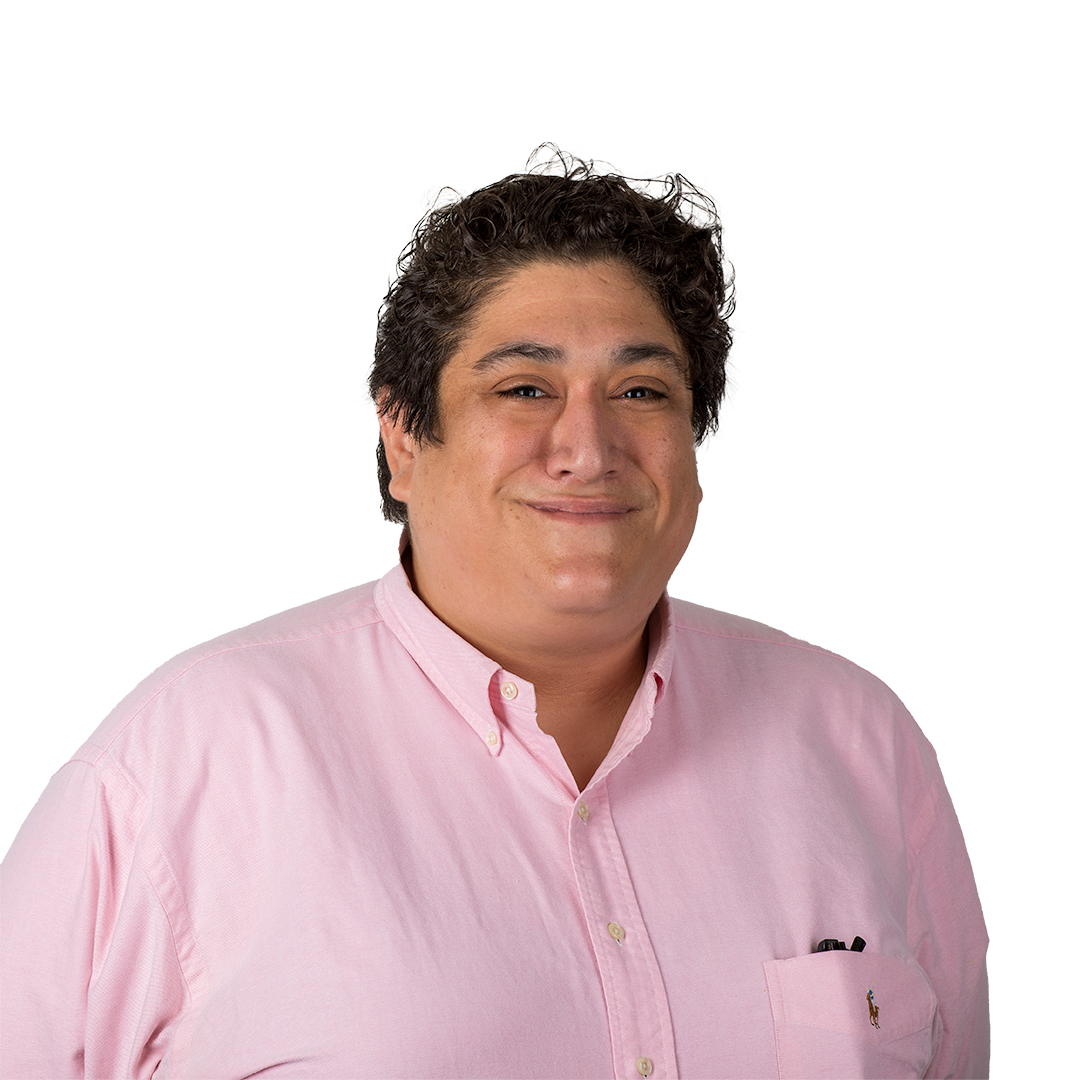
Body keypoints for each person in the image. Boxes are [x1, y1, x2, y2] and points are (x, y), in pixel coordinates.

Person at [0, 153, 989, 1079]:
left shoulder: (863, 745)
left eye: (641, 390)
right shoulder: (179, 768)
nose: (588, 448)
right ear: (402, 437)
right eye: (524, 388)